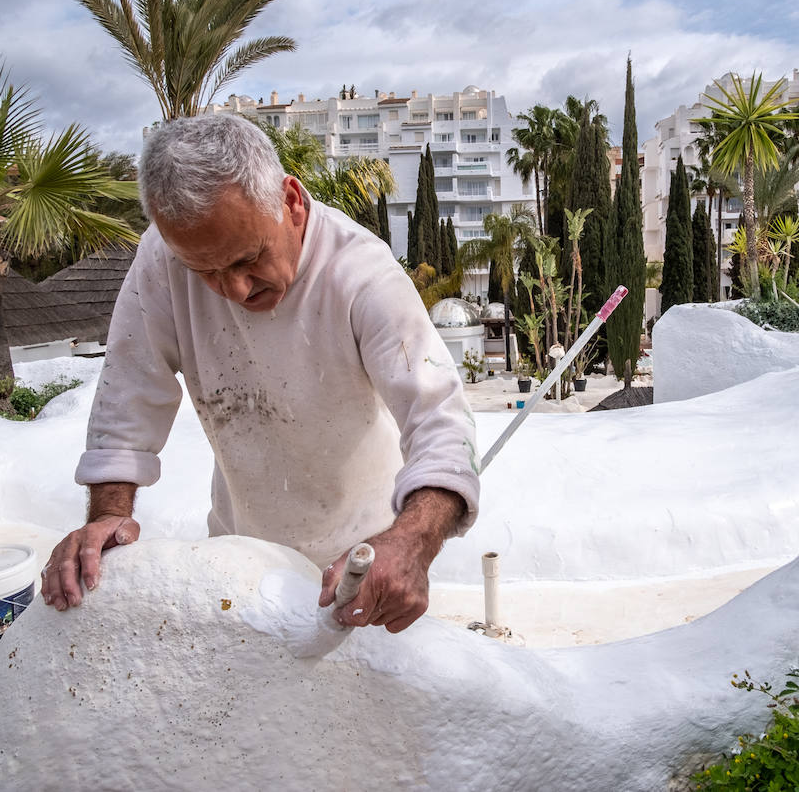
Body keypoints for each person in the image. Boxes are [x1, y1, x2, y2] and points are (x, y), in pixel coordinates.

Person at [41, 114, 480, 635]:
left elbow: (441, 422)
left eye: (249, 258)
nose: (236, 291)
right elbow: (127, 398)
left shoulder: (361, 274)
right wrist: (107, 515)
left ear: (291, 200)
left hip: (364, 567)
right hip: (237, 558)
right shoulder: (162, 259)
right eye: (205, 272)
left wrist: (410, 541)